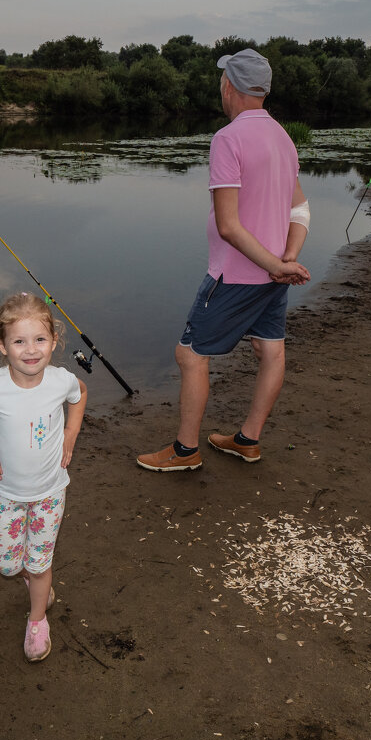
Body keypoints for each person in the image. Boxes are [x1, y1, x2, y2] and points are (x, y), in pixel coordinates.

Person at [136, 48, 310, 473]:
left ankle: (185, 451)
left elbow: (229, 227)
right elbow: (301, 210)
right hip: (273, 275)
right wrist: (287, 258)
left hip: (235, 276)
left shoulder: (227, 138)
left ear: (230, 85)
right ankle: (247, 440)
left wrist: (274, 263)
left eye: (221, 80)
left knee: (190, 355)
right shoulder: (284, 137)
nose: (220, 87)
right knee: (270, 350)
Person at [0, 292, 87, 662]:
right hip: (8, 494)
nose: (31, 350)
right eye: (19, 341)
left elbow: (80, 395)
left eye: (40, 339)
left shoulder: (61, 380)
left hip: (50, 492)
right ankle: (31, 580)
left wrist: (71, 433)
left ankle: (37, 620)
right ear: (2, 345)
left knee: (39, 563)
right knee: (9, 566)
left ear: (54, 341)